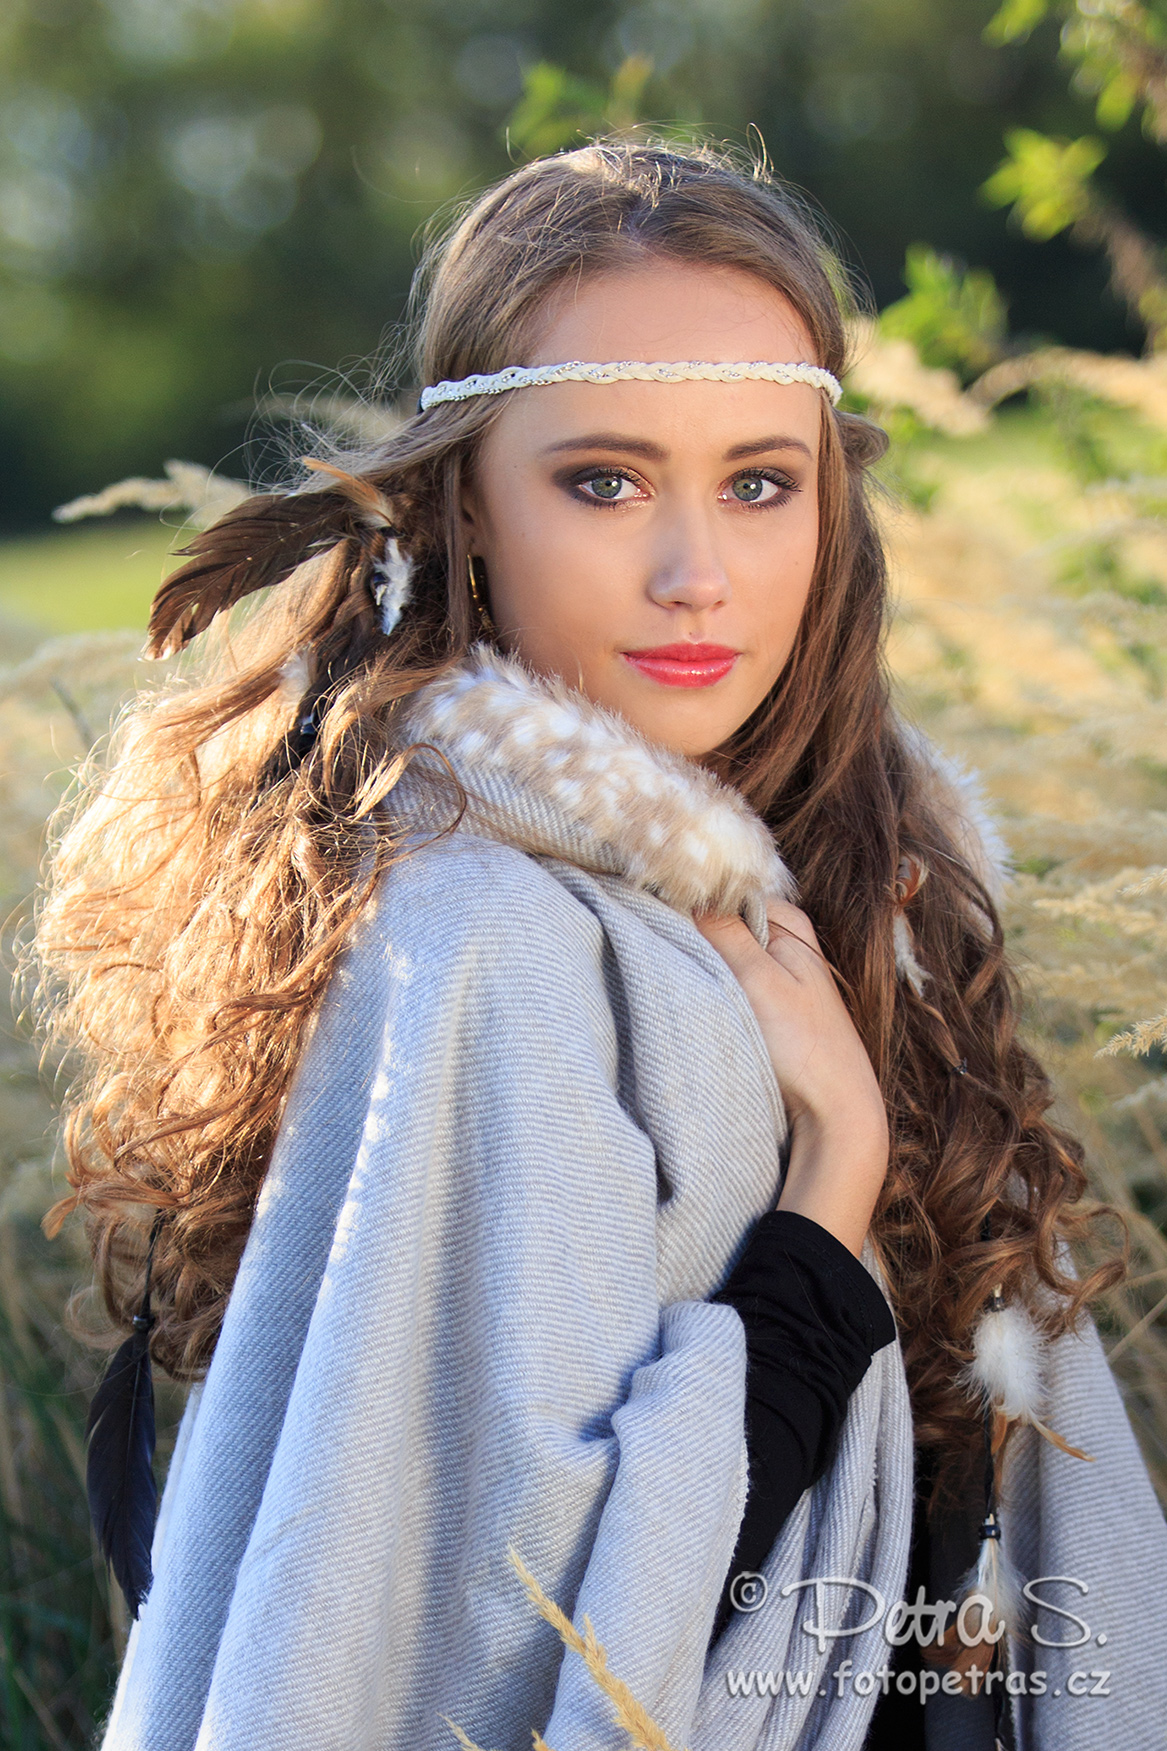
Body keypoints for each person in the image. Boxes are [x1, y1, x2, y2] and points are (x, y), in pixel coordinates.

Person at [31, 139, 1167, 1751]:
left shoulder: (877, 871)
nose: (698, 576)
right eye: (605, 483)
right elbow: (540, 1633)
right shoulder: (481, 936)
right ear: (468, 510)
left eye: (759, 485)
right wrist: (835, 1175)